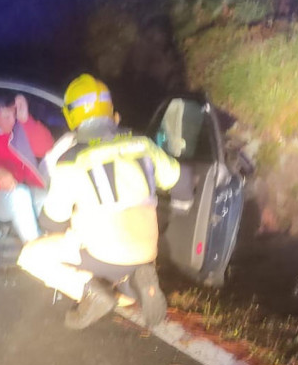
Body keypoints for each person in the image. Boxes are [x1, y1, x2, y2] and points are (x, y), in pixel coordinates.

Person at [17, 74, 193, 329]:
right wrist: (172, 215)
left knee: (31, 256)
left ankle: (91, 291)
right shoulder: (143, 144)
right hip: (147, 252)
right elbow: (184, 181)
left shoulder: (72, 158)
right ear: (111, 110)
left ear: (72, 114)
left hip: (103, 253)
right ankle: (135, 284)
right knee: (120, 266)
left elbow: (52, 221)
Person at [0, 91, 54, 243]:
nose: (12, 120)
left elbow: (47, 147)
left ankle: (48, 237)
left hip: (29, 191)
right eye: (6, 116)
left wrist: (26, 119)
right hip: (0, 199)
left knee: (48, 195)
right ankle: (35, 248)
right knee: (21, 194)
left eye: (13, 114)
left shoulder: (18, 130)